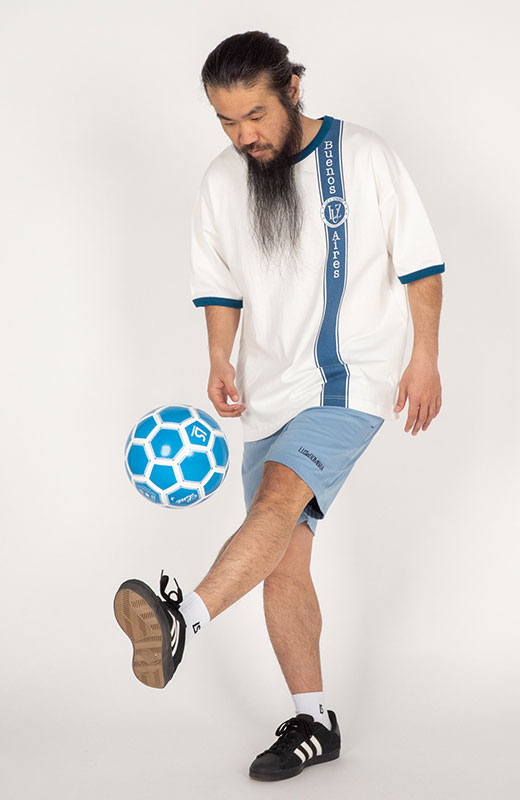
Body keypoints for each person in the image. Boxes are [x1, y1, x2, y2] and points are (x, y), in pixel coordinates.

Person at [114, 30, 444, 782]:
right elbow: (219, 283)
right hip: (266, 391)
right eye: (227, 121)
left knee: (276, 499)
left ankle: (182, 620)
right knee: (283, 559)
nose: (244, 136)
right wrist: (219, 357)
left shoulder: (363, 156)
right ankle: (315, 720)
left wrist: (424, 357)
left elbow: (421, 264)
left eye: (256, 115)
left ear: (293, 88)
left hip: (350, 378)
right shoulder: (221, 179)